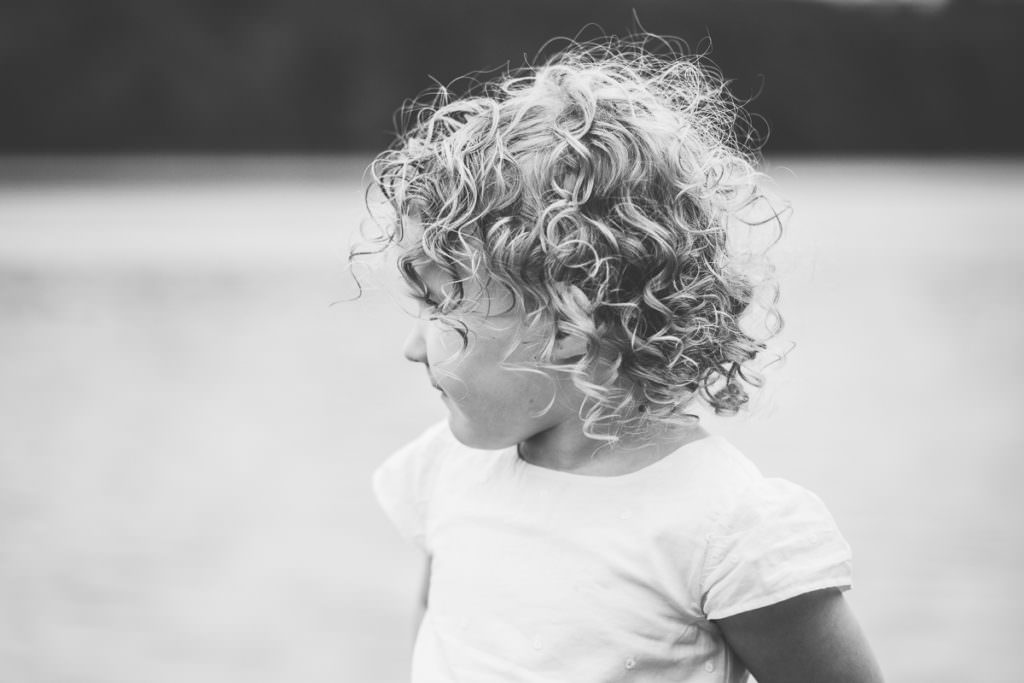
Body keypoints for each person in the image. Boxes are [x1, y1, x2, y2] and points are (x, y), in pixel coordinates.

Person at [361, 35, 884, 683]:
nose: (413, 346)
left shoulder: (725, 527)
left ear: (569, 330)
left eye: (441, 306)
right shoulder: (446, 468)